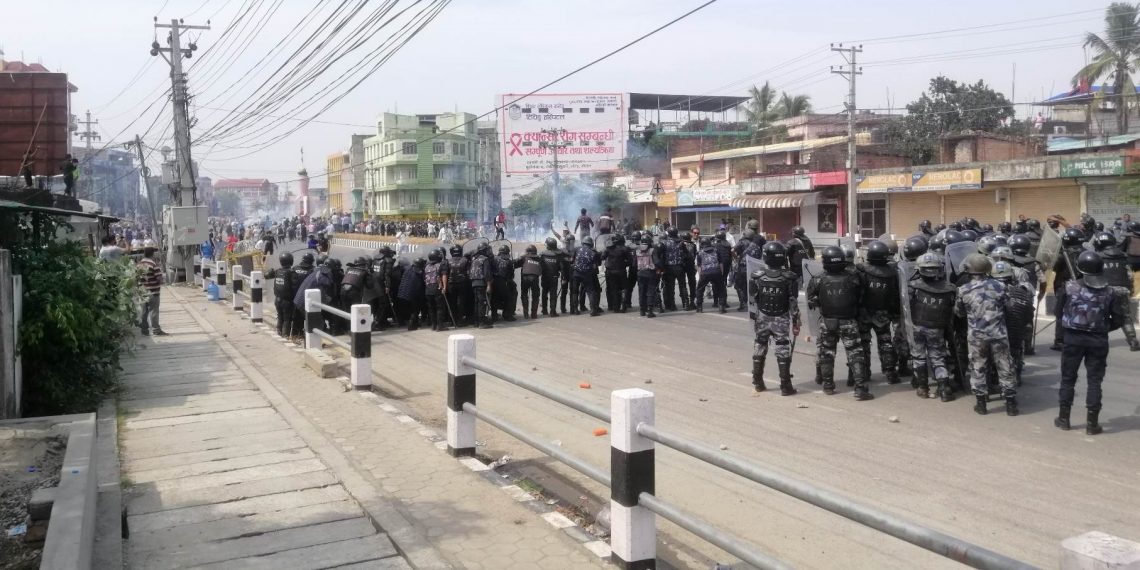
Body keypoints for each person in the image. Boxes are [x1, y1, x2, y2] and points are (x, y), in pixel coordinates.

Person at [1056, 251, 1136, 435]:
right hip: (1098, 340)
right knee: (1095, 381)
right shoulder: (1110, 292)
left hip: (1072, 339)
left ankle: (1064, 419)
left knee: (1068, 379)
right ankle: (1092, 424)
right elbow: (1118, 319)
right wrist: (1100, 327)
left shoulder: (1068, 287)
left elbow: (1059, 312)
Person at [955, 253, 1019, 416]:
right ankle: (1011, 404)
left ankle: (981, 404)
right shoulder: (1000, 286)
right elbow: (1009, 307)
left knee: (978, 367)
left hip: (977, 337)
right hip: (999, 334)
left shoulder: (963, 290)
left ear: (970, 270)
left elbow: (959, 313)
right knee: (1005, 366)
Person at [807, 246, 871, 399]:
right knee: (856, 354)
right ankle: (860, 389)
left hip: (827, 322)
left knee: (827, 354)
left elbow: (811, 300)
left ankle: (828, 385)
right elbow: (862, 296)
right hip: (849, 321)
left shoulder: (817, 279)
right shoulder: (854, 277)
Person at [749, 242, 800, 395]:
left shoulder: (756, 275)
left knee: (760, 346)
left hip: (763, 317)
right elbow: (793, 301)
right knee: (783, 348)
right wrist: (796, 321)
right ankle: (785, 386)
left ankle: (758, 382)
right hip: (781, 319)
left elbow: (753, 297)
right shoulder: (789, 277)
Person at [908, 252, 957, 400]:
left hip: (917, 327)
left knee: (919, 357)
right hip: (937, 329)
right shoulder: (950, 288)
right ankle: (944, 389)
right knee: (938, 358)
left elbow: (907, 307)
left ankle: (923, 388)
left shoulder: (913, 286)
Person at [856, 241, 901, 385]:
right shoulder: (892, 272)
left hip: (864, 312)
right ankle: (890, 373)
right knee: (886, 343)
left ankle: (864, 373)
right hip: (882, 313)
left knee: (864, 344)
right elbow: (895, 294)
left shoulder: (861, 270)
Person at [137, 247, 166, 336]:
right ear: (152, 254)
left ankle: (144, 330)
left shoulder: (139, 264)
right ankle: (156, 330)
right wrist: (162, 280)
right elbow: (159, 279)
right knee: (154, 311)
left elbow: (136, 278)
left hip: (142, 292)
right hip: (153, 291)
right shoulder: (153, 264)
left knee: (144, 312)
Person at [694, 237, 728, 314]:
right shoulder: (716, 251)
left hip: (705, 273)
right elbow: (721, 263)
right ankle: (721, 307)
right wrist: (721, 274)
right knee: (721, 289)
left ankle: (699, 308)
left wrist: (701, 275)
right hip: (717, 271)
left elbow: (699, 266)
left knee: (700, 289)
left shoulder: (699, 253)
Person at [288, 253, 316, 340]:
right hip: (307, 298)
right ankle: (307, 337)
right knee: (308, 318)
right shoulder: (312, 270)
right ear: (311, 261)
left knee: (296, 318)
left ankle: (295, 335)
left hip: (294, 298)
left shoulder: (295, 268)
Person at [659, 228, 688, 311]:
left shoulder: (664, 243)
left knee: (670, 288)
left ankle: (672, 305)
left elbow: (661, 256)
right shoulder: (681, 243)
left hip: (669, 268)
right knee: (683, 286)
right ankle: (686, 303)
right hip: (680, 267)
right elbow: (686, 254)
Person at [634, 233, 662, 318]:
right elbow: (657, 262)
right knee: (650, 291)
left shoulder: (637, 250)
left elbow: (634, 263)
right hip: (650, 273)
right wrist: (661, 268)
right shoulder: (652, 250)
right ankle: (650, 310)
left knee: (641, 291)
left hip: (640, 273)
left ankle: (642, 310)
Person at [573, 236, 602, 316]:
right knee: (591, 291)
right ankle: (593, 310)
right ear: (591, 244)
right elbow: (598, 264)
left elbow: (573, 260)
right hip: (587, 274)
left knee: (575, 291)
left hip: (576, 273)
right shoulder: (593, 253)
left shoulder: (577, 249)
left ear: (583, 243)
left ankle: (575, 309)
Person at [468, 243, 495, 328]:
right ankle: (482, 322)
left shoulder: (474, 258)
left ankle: (477, 322)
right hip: (481, 283)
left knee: (476, 302)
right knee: (482, 303)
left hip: (474, 283)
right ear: (484, 250)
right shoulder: (485, 259)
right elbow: (487, 274)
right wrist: (489, 285)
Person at [271, 252, 297, 338]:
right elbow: (294, 288)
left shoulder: (277, 271)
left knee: (280, 317)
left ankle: (279, 334)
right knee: (287, 319)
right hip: (287, 301)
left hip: (277, 299)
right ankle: (285, 337)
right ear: (291, 261)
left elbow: (267, 275)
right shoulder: (291, 273)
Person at [397, 258, 427, 331]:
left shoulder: (408, 268)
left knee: (409, 310)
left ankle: (411, 322)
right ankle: (412, 325)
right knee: (415, 310)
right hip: (412, 294)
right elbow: (423, 284)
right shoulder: (420, 273)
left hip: (401, 294)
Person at [603, 235, 630, 312]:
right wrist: (623, 264)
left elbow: (602, 257)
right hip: (621, 271)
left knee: (613, 289)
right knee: (624, 288)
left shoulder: (608, 248)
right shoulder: (625, 249)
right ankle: (623, 305)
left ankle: (615, 307)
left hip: (610, 272)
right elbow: (630, 261)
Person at [425, 249, 450, 331]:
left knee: (431, 308)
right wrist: (445, 287)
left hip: (428, 289)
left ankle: (433, 325)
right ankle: (440, 326)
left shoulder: (427, 266)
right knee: (440, 308)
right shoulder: (441, 264)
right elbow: (444, 276)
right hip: (437, 288)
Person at [491, 245, 517, 322]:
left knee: (494, 298)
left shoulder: (493, 259)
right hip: (503, 282)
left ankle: (494, 315)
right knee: (508, 297)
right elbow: (511, 275)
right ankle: (507, 315)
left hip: (494, 282)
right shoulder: (508, 261)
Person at [448, 245, 472, 326]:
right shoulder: (465, 260)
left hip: (451, 284)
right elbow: (469, 273)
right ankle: (460, 320)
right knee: (461, 302)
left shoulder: (448, 261)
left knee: (452, 302)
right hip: (462, 284)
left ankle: (453, 320)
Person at [517, 244, 543, 319]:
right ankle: (534, 314)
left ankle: (525, 314)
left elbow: (514, 263)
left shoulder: (524, 257)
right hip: (535, 278)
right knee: (535, 296)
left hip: (525, 277)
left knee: (524, 294)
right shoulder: (539, 258)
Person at [539, 237, 561, 317]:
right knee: (553, 295)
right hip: (554, 277)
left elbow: (539, 265)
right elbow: (561, 267)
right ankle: (552, 312)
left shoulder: (542, 254)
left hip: (545, 277)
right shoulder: (558, 255)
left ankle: (544, 310)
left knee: (544, 293)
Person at [680, 233, 698, 310]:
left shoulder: (680, 244)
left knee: (683, 284)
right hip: (690, 265)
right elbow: (694, 255)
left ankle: (685, 303)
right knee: (692, 284)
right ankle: (692, 302)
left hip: (682, 265)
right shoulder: (693, 245)